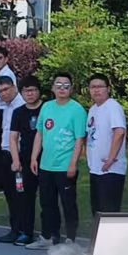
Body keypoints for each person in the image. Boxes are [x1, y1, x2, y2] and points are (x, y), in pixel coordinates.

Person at [33, 71, 87, 244]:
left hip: (65, 166)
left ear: (71, 89)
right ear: (53, 88)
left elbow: (80, 139)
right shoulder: (47, 107)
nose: (62, 88)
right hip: (46, 165)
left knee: (68, 204)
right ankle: (49, 236)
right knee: (47, 204)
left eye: (66, 86)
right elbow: (40, 133)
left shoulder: (77, 109)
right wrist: (34, 157)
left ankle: (71, 239)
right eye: (58, 85)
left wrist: (73, 164)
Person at [86, 74, 127, 219]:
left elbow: (119, 132)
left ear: (108, 89)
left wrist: (111, 158)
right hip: (96, 169)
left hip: (111, 170)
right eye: (93, 87)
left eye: (100, 87)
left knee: (109, 213)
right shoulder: (93, 109)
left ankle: (110, 242)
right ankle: (98, 241)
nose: (96, 90)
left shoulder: (112, 107)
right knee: (97, 212)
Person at [9, 76, 44, 246]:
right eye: (26, 91)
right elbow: (13, 137)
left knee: (47, 198)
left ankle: (48, 234)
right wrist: (15, 160)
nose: (29, 94)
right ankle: (26, 232)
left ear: (39, 91)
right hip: (24, 160)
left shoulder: (47, 109)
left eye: (33, 90)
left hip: (46, 160)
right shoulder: (19, 112)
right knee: (25, 198)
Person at [0, 73, 26, 242]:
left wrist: (16, 160)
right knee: (10, 194)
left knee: (18, 195)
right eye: (0, 91)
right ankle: (15, 228)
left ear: (14, 87)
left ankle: (21, 229)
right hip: (4, 153)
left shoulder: (21, 105)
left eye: (6, 89)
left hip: (17, 156)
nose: (3, 93)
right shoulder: (6, 106)